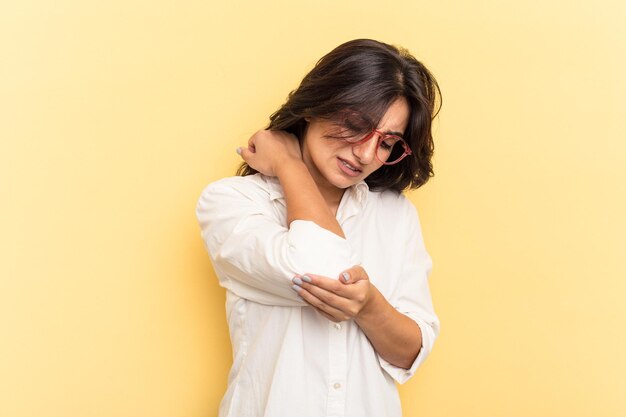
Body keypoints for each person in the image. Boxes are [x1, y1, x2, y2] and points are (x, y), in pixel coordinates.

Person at [196, 38, 441, 417]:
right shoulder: (232, 202)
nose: (364, 154)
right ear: (314, 107)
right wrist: (289, 166)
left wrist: (370, 305)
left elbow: (411, 350)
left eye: (387, 142)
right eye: (354, 126)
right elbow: (323, 264)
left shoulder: (395, 215)